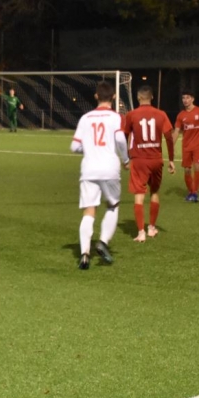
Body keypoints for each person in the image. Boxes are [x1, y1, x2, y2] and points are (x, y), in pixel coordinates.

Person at [70, 81, 129, 270]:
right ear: (114, 97)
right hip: (109, 168)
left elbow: (74, 146)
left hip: (89, 169)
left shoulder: (85, 118)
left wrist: (90, 149)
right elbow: (120, 139)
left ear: (96, 96)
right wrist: (126, 159)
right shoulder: (116, 117)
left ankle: (84, 254)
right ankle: (103, 242)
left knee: (89, 210)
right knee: (113, 205)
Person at [122, 85, 176, 242]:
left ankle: (141, 232)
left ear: (138, 98)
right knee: (155, 192)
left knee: (139, 195)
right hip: (156, 159)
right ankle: (151, 228)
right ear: (152, 97)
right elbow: (169, 137)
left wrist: (126, 157)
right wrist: (171, 159)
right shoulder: (161, 114)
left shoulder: (131, 115)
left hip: (139, 160)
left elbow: (124, 136)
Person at [172, 91, 199, 202]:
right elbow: (176, 131)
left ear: (192, 99)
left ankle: (194, 193)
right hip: (186, 147)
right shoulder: (181, 115)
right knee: (187, 170)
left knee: (197, 167)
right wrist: (171, 147)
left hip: (198, 146)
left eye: (187, 97)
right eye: (183, 98)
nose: (185, 100)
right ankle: (191, 192)